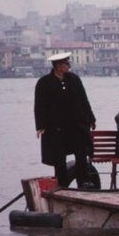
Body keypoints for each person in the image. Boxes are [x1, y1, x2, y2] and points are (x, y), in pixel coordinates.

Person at [34, 52, 97, 188]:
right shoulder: (44, 82)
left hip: (76, 125)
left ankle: (84, 182)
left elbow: (83, 100)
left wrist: (91, 118)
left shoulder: (74, 79)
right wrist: (40, 125)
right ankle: (62, 185)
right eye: (66, 64)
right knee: (59, 157)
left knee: (81, 153)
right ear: (58, 66)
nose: (69, 66)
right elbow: (39, 105)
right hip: (56, 127)